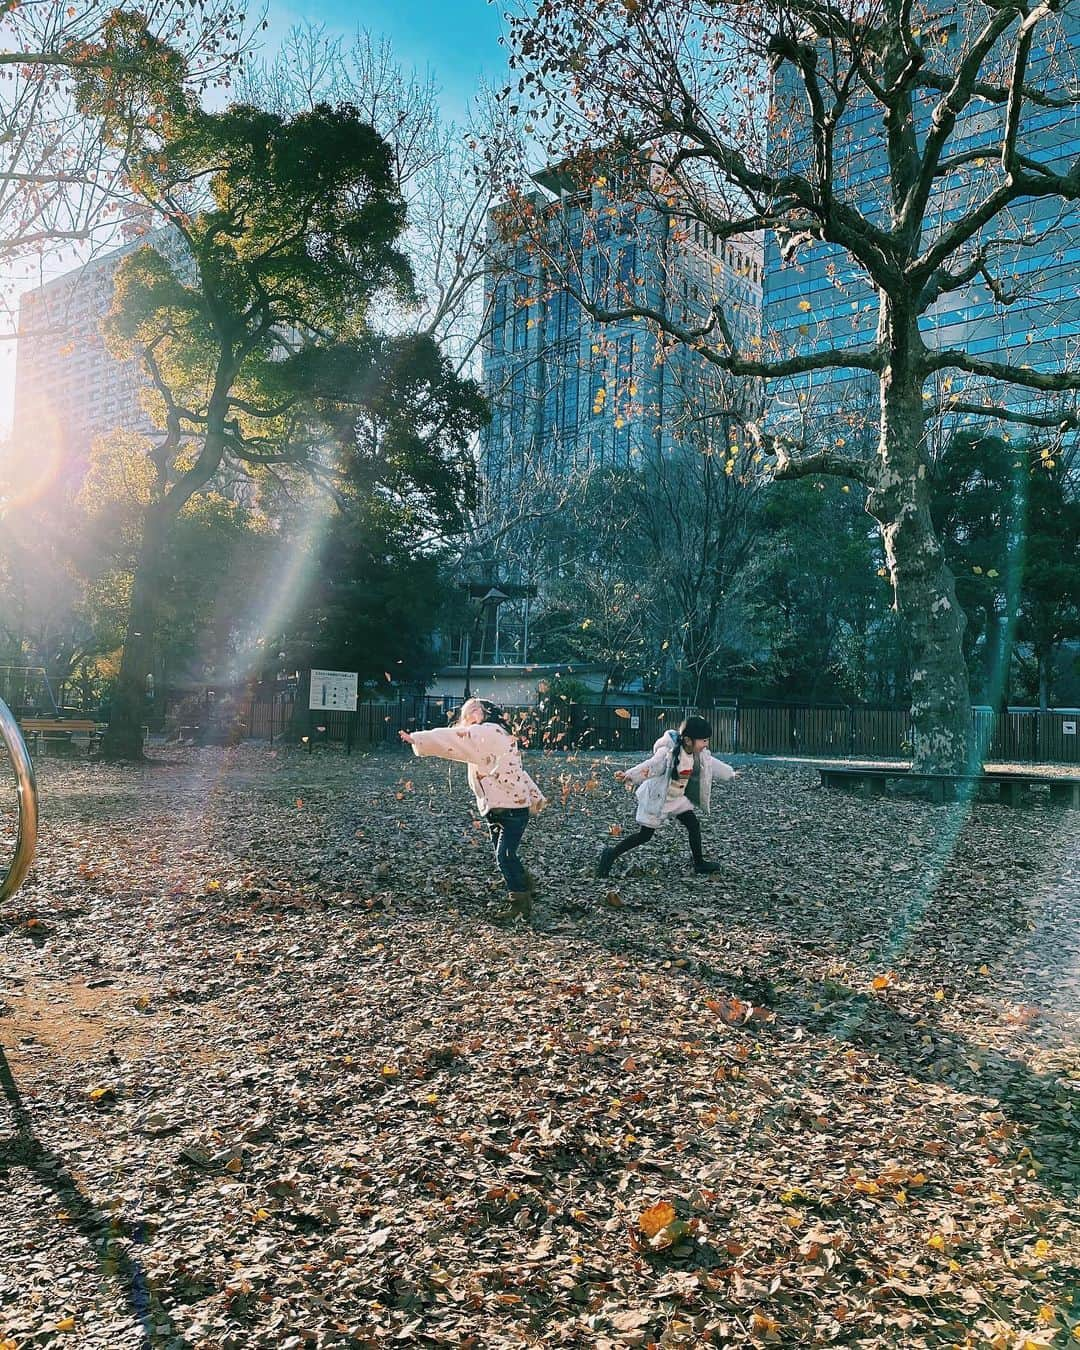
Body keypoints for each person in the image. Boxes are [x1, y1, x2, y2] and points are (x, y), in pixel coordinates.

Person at [399, 698, 546, 921]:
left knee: (505, 856)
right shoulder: (494, 733)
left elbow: (452, 739)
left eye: (467, 714)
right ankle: (525, 885)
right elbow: (459, 743)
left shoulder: (487, 731)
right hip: (501, 807)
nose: (464, 721)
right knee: (506, 855)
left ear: (478, 713)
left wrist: (418, 739)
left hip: (510, 808)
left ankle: (521, 905)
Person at [596, 714, 739, 878]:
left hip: (677, 799)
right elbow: (651, 767)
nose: (706, 744)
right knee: (644, 836)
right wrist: (630, 775)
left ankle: (699, 863)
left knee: (693, 825)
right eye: (703, 740)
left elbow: (713, 764)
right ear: (687, 740)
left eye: (707, 740)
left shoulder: (699, 754)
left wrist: (731, 774)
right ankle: (610, 854)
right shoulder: (667, 753)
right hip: (658, 798)